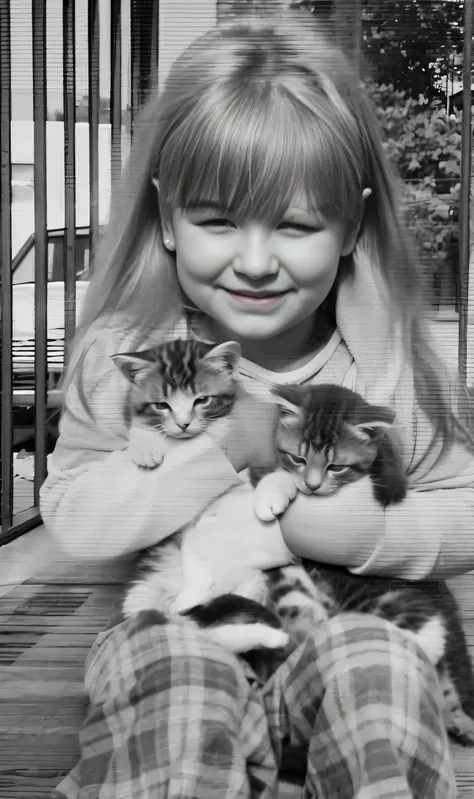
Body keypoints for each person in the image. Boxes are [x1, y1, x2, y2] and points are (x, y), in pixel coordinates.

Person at [41, 11, 474, 799]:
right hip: (176, 636)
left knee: (381, 661)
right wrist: (220, 453)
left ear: (352, 226)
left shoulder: (389, 359)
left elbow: (464, 512)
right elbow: (73, 512)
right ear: (168, 215)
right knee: (174, 670)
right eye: (216, 221)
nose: (253, 261)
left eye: (297, 224)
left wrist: (348, 526)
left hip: (327, 650)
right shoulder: (127, 349)